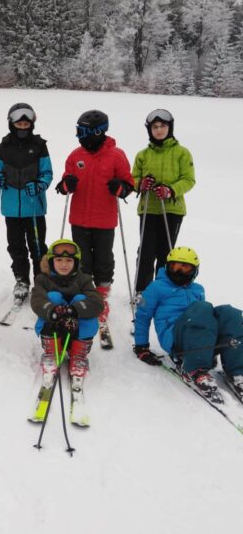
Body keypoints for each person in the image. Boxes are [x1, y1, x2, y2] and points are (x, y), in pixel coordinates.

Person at [55, 109, 134, 338]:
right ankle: (85, 293)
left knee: (103, 259)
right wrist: (66, 185)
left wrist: (121, 188)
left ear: (98, 132)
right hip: (79, 217)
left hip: (104, 218)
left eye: (83, 132)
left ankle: (101, 296)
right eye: (78, 131)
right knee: (81, 259)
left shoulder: (116, 155)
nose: (80, 136)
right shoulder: (75, 155)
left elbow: (129, 183)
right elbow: (65, 181)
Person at [133, 246, 243, 401]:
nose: (179, 271)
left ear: (194, 270)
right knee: (202, 308)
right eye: (175, 266)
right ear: (168, 266)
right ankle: (196, 369)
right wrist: (141, 346)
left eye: (185, 268)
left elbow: (205, 321)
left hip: (196, 335)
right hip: (174, 337)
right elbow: (143, 316)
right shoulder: (156, 288)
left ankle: (237, 371)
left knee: (229, 314)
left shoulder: (198, 289)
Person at [0, 103, 53, 301]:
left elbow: (47, 173)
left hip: (34, 208)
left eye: (26, 124)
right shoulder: (2, 148)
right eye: (19, 124)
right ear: (11, 124)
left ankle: (41, 281)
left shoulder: (39, 146)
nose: (23, 127)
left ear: (32, 124)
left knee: (38, 247)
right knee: (16, 247)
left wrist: (39, 185)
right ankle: (22, 280)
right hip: (11, 209)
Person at [132, 109, 196, 296]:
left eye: (162, 126)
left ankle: (162, 288)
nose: (159, 130)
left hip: (172, 209)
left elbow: (189, 179)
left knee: (165, 251)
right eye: (155, 127)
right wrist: (141, 184)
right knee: (146, 251)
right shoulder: (143, 155)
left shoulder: (182, 153)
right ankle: (142, 290)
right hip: (148, 209)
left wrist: (171, 190)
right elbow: (133, 179)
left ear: (170, 128)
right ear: (150, 130)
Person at [31, 240, 103, 388]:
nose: (64, 264)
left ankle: (78, 355)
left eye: (69, 260)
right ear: (51, 261)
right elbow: (37, 300)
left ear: (76, 262)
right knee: (52, 297)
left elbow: (97, 302)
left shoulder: (84, 279)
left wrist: (74, 310)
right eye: (59, 260)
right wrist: (53, 310)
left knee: (83, 300)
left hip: (76, 331)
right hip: (54, 328)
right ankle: (52, 353)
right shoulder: (42, 279)